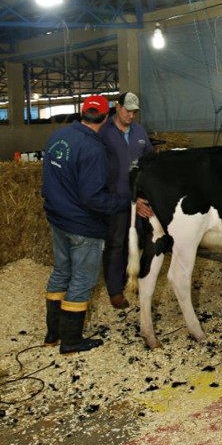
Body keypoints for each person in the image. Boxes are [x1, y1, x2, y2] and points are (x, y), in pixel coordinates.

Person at [42, 94, 131, 354]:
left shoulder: (58, 137)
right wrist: (125, 202)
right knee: (82, 279)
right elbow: (93, 197)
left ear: (83, 113)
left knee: (61, 271)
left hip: (57, 218)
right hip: (82, 225)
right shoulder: (93, 149)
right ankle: (71, 340)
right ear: (106, 117)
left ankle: (52, 334)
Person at [100, 92, 153, 308]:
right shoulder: (103, 132)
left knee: (141, 239)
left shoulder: (140, 131)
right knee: (116, 242)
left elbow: (149, 158)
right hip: (115, 197)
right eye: (127, 110)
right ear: (117, 106)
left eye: (134, 112)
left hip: (139, 196)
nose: (131, 115)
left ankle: (138, 279)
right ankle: (115, 289)